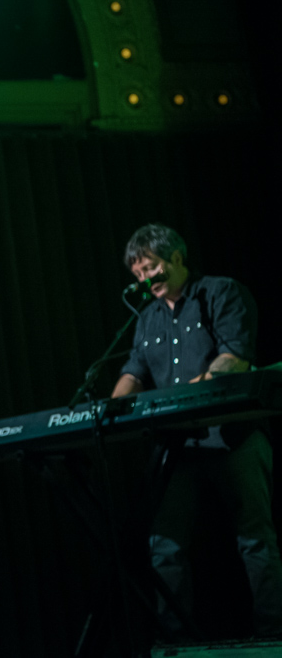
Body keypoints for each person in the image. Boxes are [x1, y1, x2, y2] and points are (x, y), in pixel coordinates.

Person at [111, 223, 282, 640]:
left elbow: (235, 356)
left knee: (255, 541)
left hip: (232, 438)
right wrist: (109, 409)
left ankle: (274, 637)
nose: (144, 280)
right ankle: (175, 643)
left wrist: (191, 393)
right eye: (136, 274)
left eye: (149, 268)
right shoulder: (147, 318)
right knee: (164, 546)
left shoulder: (220, 292)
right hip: (180, 448)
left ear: (176, 259)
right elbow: (133, 371)